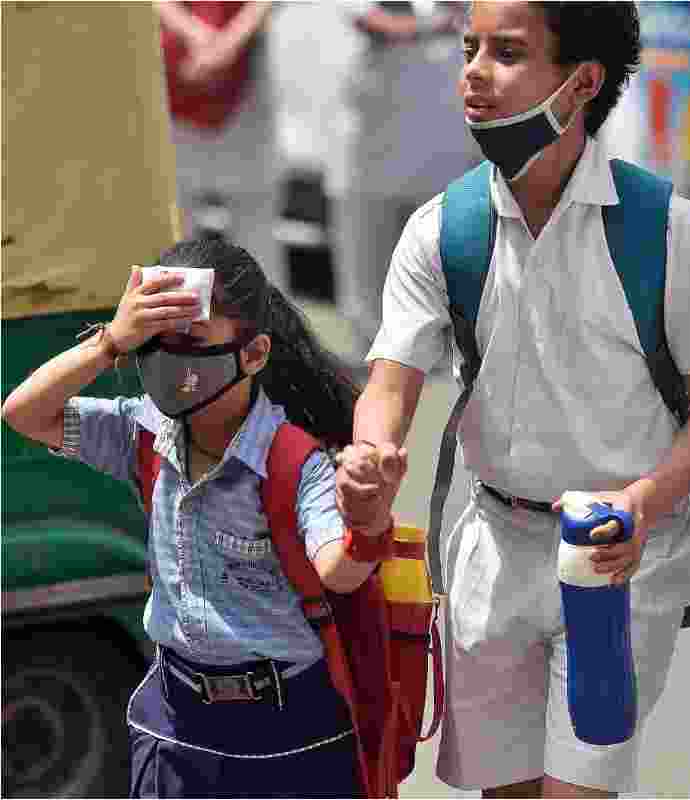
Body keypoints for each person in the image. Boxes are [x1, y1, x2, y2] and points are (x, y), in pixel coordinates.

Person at [335, 2, 690, 796]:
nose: (472, 72)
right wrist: (372, 455)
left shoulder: (666, 229)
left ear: (582, 82)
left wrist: (644, 503)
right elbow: (389, 383)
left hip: (620, 564)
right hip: (492, 552)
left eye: (508, 53)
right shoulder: (441, 230)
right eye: (470, 48)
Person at [0, 239, 402, 799]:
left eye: (191, 342)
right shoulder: (140, 434)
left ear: (255, 353)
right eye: (155, 342)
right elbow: (23, 413)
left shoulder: (292, 461)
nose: (169, 359)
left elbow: (337, 571)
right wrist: (112, 341)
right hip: (175, 724)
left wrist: (367, 520)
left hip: (288, 735)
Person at [331, 0, 485, 359]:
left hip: (443, 128)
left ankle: (445, 350)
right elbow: (368, 19)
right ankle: (369, 351)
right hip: (374, 133)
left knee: (442, 251)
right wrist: (434, 25)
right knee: (369, 253)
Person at [156, 2, 288, 294]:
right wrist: (199, 36)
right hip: (175, 81)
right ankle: (176, 333)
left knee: (257, 241)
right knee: (175, 238)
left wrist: (226, 45)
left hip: (245, 94)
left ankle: (270, 333)